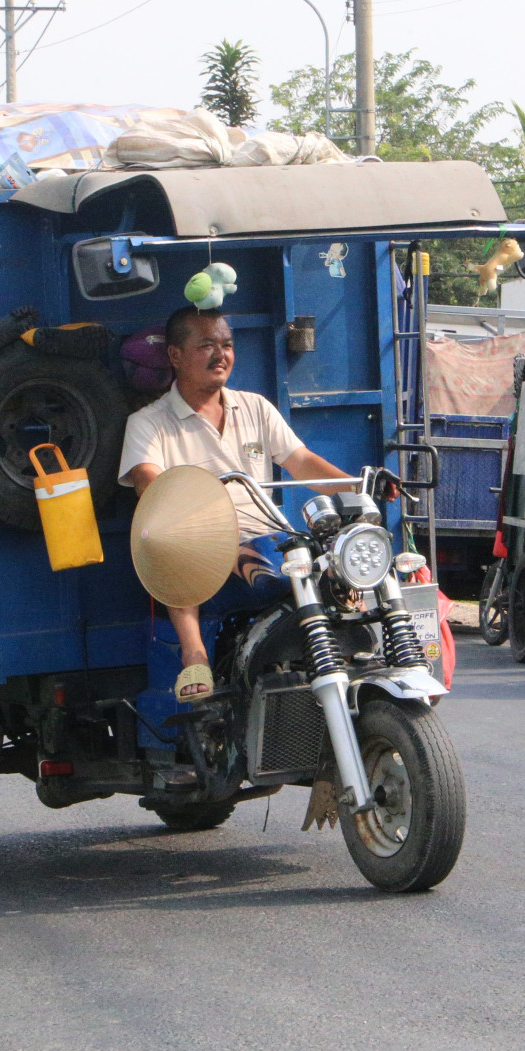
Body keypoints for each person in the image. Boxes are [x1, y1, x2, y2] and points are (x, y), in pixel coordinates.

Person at [118, 306, 364, 733]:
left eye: (227, 345)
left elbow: (301, 461)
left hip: (268, 533)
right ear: (175, 355)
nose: (221, 355)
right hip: (199, 542)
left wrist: (355, 488)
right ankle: (194, 655)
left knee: (341, 557)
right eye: (207, 345)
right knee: (175, 541)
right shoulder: (148, 423)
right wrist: (184, 507)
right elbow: (148, 480)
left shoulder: (255, 407)